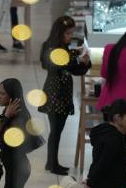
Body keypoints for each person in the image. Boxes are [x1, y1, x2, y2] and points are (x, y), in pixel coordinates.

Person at [38, 15, 91, 175]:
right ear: (59, 33)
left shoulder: (62, 48)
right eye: (67, 34)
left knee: (57, 130)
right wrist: (77, 59)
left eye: (71, 34)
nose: (70, 37)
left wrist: (85, 62)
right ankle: (53, 164)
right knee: (56, 130)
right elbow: (59, 65)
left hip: (62, 94)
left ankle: (51, 162)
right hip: (55, 94)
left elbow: (74, 69)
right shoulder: (51, 48)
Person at [84, 99, 126, 188]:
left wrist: (91, 179)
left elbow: (100, 159)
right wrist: (90, 182)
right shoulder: (113, 139)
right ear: (117, 118)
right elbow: (103, 163)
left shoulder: (106, 131)